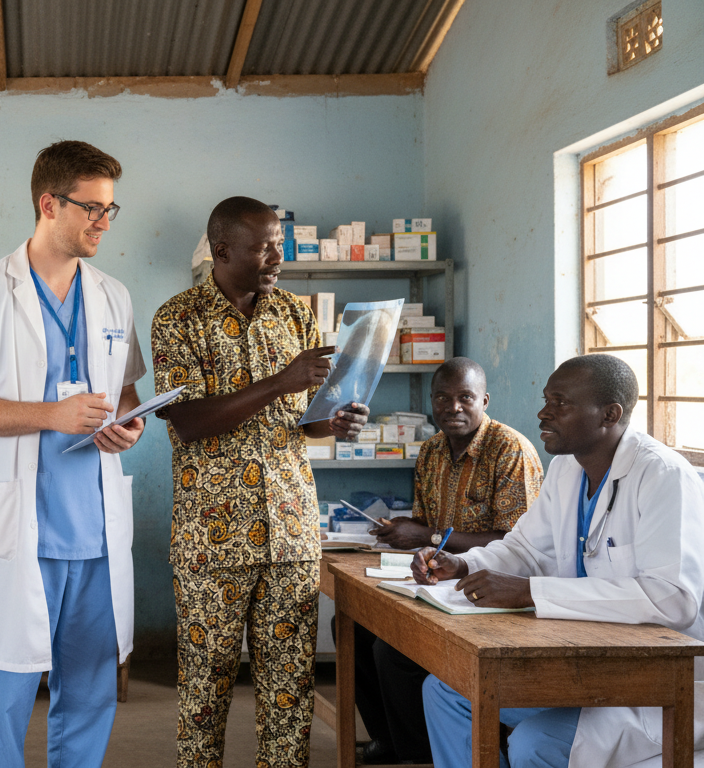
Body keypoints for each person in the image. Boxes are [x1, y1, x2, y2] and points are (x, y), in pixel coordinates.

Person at [0, 140, 147, 767]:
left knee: (89, 695)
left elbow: (125, 394)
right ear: (49, 204)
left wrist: (128, 428)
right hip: (18, 532)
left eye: (110, 209)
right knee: (2, 704)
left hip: (95, 533)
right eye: (92, 209)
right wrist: (48, 416)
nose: (104, 222)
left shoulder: (113, 295)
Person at [151, 196, 368, 767]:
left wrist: (333, 423)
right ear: (222, 251)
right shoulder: (177, 318)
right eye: (264, 247)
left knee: (289, 688)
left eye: (280, 244)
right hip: (212, 538)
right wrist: (279, 382)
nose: (277, 257)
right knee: (205, 687)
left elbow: (306, 419)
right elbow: (187, 421)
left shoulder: (295, 314)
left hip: (292, 532)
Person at [413, 354, 704, 768]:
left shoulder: (663, 475)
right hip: (580, 658)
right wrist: (463, 564)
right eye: (546, 400)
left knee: (534, 743)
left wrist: (531, 592)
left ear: (609, 414)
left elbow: (673, 599)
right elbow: (526, 549)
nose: (543, 413)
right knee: (446, 691)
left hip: (654, 680)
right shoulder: (567, 467)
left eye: (560, 403)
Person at [355, 357, 543, 763]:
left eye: (465, 398)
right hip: (439, 580)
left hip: (492, 589)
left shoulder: (509, 450)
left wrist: (427, 537)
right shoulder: (432, 450)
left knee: (392, 651)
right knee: (354, 626)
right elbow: (427, 526)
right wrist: (407, 531)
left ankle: (421, 753)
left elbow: (516, 543)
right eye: (442, 397)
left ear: (484, 401)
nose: (453, 407)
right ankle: (390, 738)